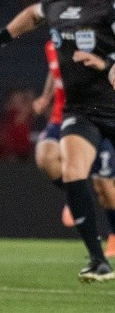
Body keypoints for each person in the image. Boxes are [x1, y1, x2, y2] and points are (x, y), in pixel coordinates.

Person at [0, 0, 115, 282]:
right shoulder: (54, 1)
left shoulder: (108, 6)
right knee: (74, 173)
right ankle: (99, 261)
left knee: (106, 188)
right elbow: (31, 15)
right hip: (79, 110)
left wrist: (106, 62)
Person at [33, 40, 115, 255]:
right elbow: (55, 71)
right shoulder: (52, 45)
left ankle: (114, 235)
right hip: (63, 115)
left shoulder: (99, 40)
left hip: (97, 117)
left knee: (104, 187)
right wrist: (45, 96)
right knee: (45, 157)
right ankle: (75, 194)